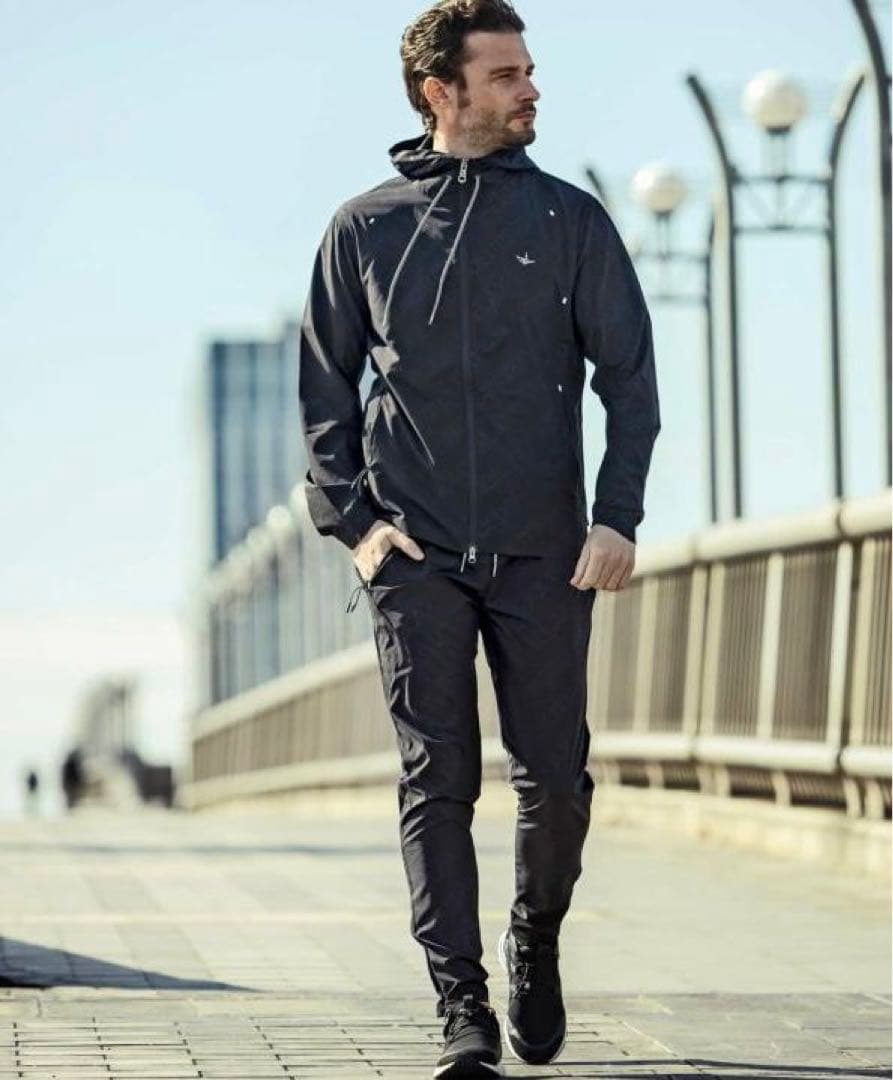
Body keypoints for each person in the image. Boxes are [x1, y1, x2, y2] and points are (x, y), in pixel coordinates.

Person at [298, 1, 661, 1075]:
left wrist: (616, 516)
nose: (529, 88)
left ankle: (533, 936)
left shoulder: (571, 221)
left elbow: (629, 382)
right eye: (505, 75)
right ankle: (461, 1007)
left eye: (528, 70)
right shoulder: (363, 229)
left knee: (556, 779)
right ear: (440, 92)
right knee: (437, 778)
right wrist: (357, 526)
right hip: (414, 555)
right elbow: (322, 394)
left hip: (546, 551)